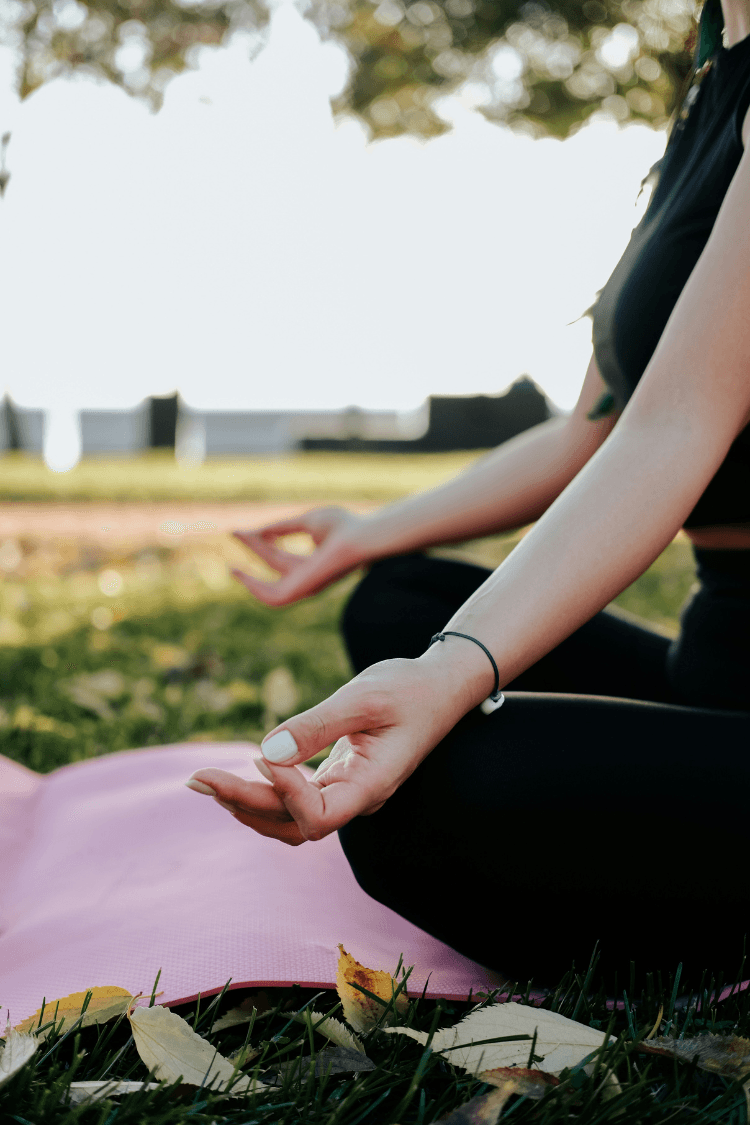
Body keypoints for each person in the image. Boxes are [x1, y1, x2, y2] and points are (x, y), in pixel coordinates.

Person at [186, 0, 750, 993]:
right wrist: (366, 536)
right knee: (397, 604)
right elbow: (600, 429)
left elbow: (676, 431)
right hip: (721, 658)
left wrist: (455, 673)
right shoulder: (715, 80)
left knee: (426, 797)